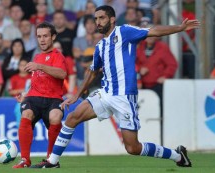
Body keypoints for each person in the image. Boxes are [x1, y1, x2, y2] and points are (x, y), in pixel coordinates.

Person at [32, 5, 200, 168]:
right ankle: (52, 162)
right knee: (71, 119)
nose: (98, 22)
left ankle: (177, 155)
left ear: (112, 19)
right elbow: (93, 71)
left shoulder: (125, 32)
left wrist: (179, 28)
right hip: (105, 93)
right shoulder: (100, 46)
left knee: (133, 148)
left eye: (101, 18)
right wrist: (76, 95)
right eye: (96, 18)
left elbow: (153, 31)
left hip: (124, 96)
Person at [12, 22, 67, 168]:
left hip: (53, 99)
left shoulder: (58, 56)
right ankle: (24, 160)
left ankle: (51, 160)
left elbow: (62, 74)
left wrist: (40, 66)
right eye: (39, 36)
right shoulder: (36, 57)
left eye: (45, 36)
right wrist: (25, 93)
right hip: (34, 97)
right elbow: (37, 80)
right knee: (26, 114)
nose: (42, 40)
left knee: (55, 116)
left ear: (53, 37)